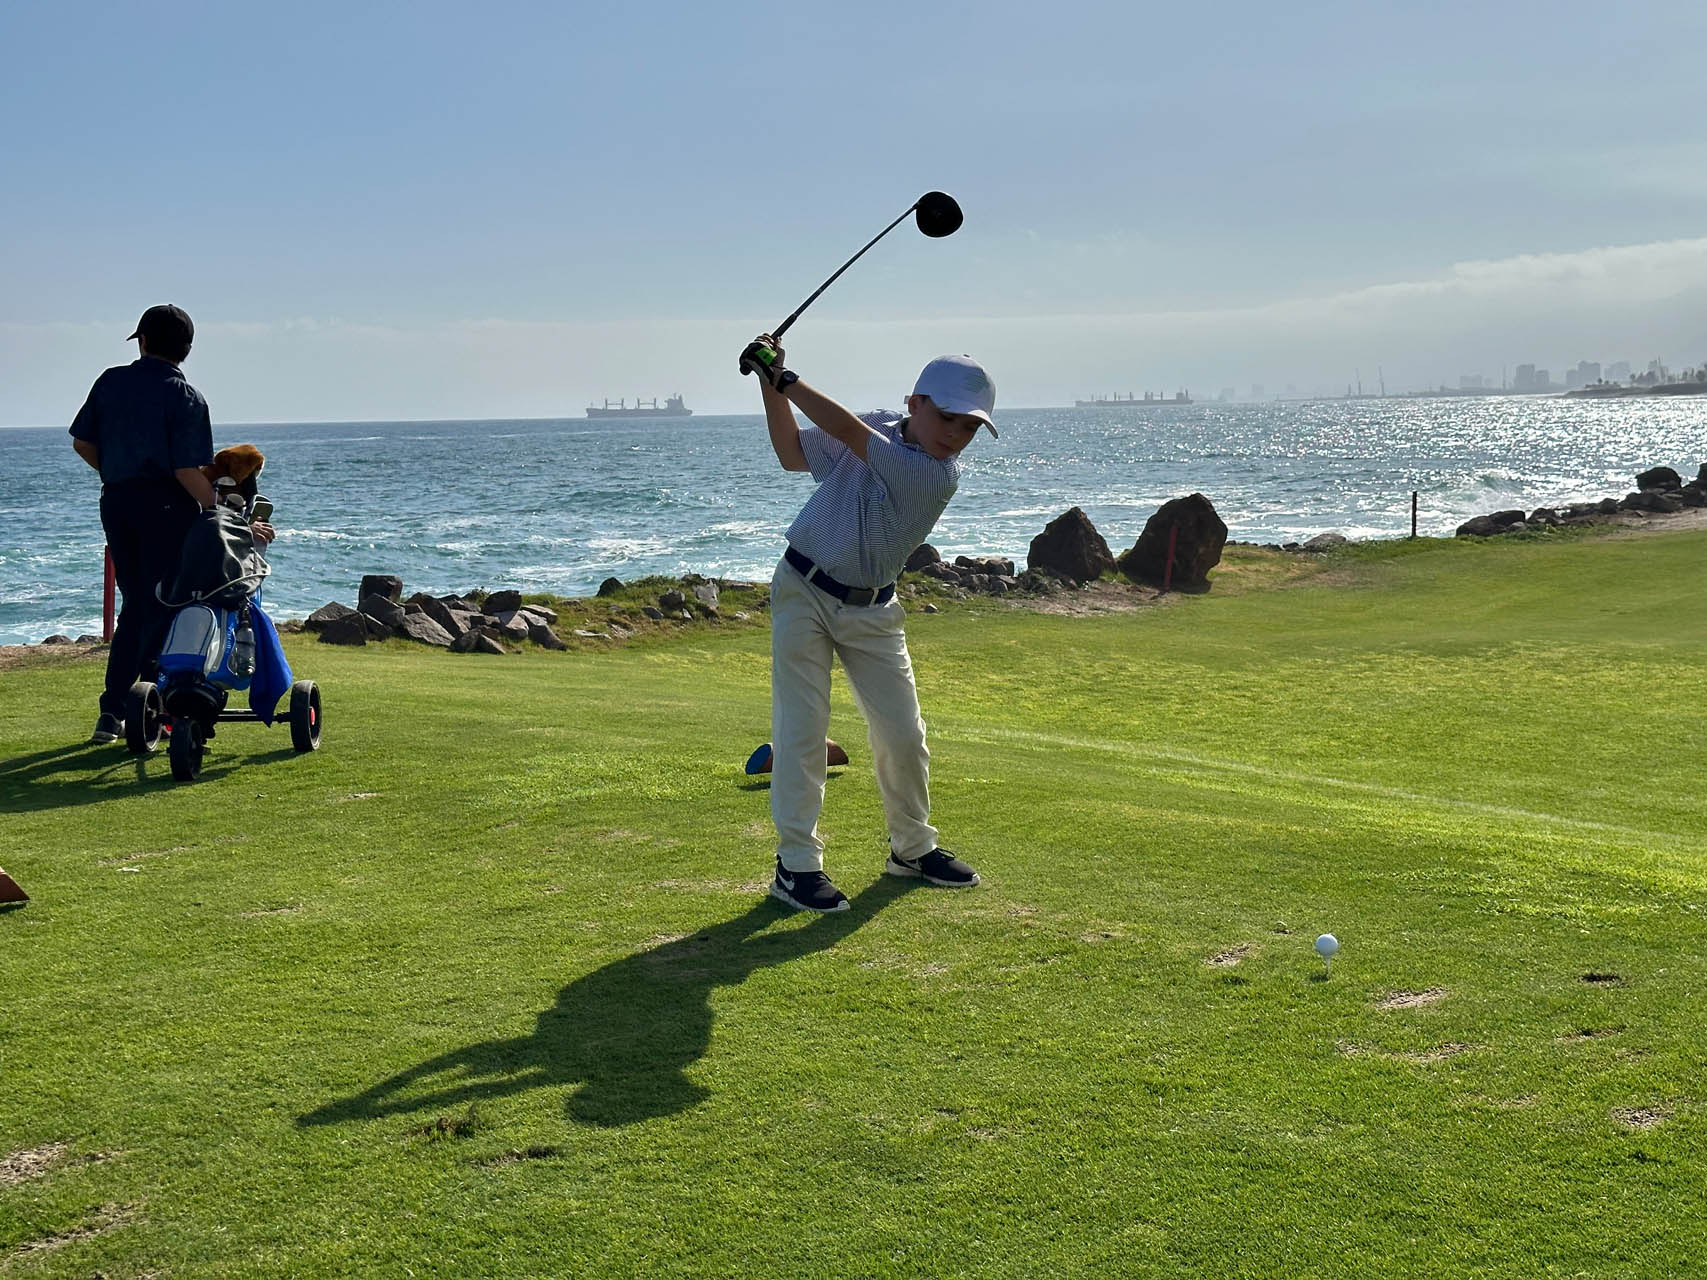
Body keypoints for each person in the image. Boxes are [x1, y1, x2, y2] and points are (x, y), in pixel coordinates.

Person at [739, 334, 998, 912]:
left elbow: (852, 434)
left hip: (874, 609)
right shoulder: (880, 425)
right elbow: (792, 453)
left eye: (970, 427)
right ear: (915, 404)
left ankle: (912, 849)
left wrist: (783, 377)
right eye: (948, 418)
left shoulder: (935, 476)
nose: (956, 435)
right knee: (802, 730)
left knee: (903, 734)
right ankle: (796, 866)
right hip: (802, 587)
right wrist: (769, 384)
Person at [69, 305, 216, 743]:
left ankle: (116, 711)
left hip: (117, 503)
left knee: (136, 603)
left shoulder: (111, 381)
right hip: (167, 508)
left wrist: (119, 474)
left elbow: (83, 443)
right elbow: (187, 470)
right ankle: (148, 708)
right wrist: (219, 509)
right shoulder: (186, 397)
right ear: (187, 349)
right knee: (162, 604)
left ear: (143, 341)